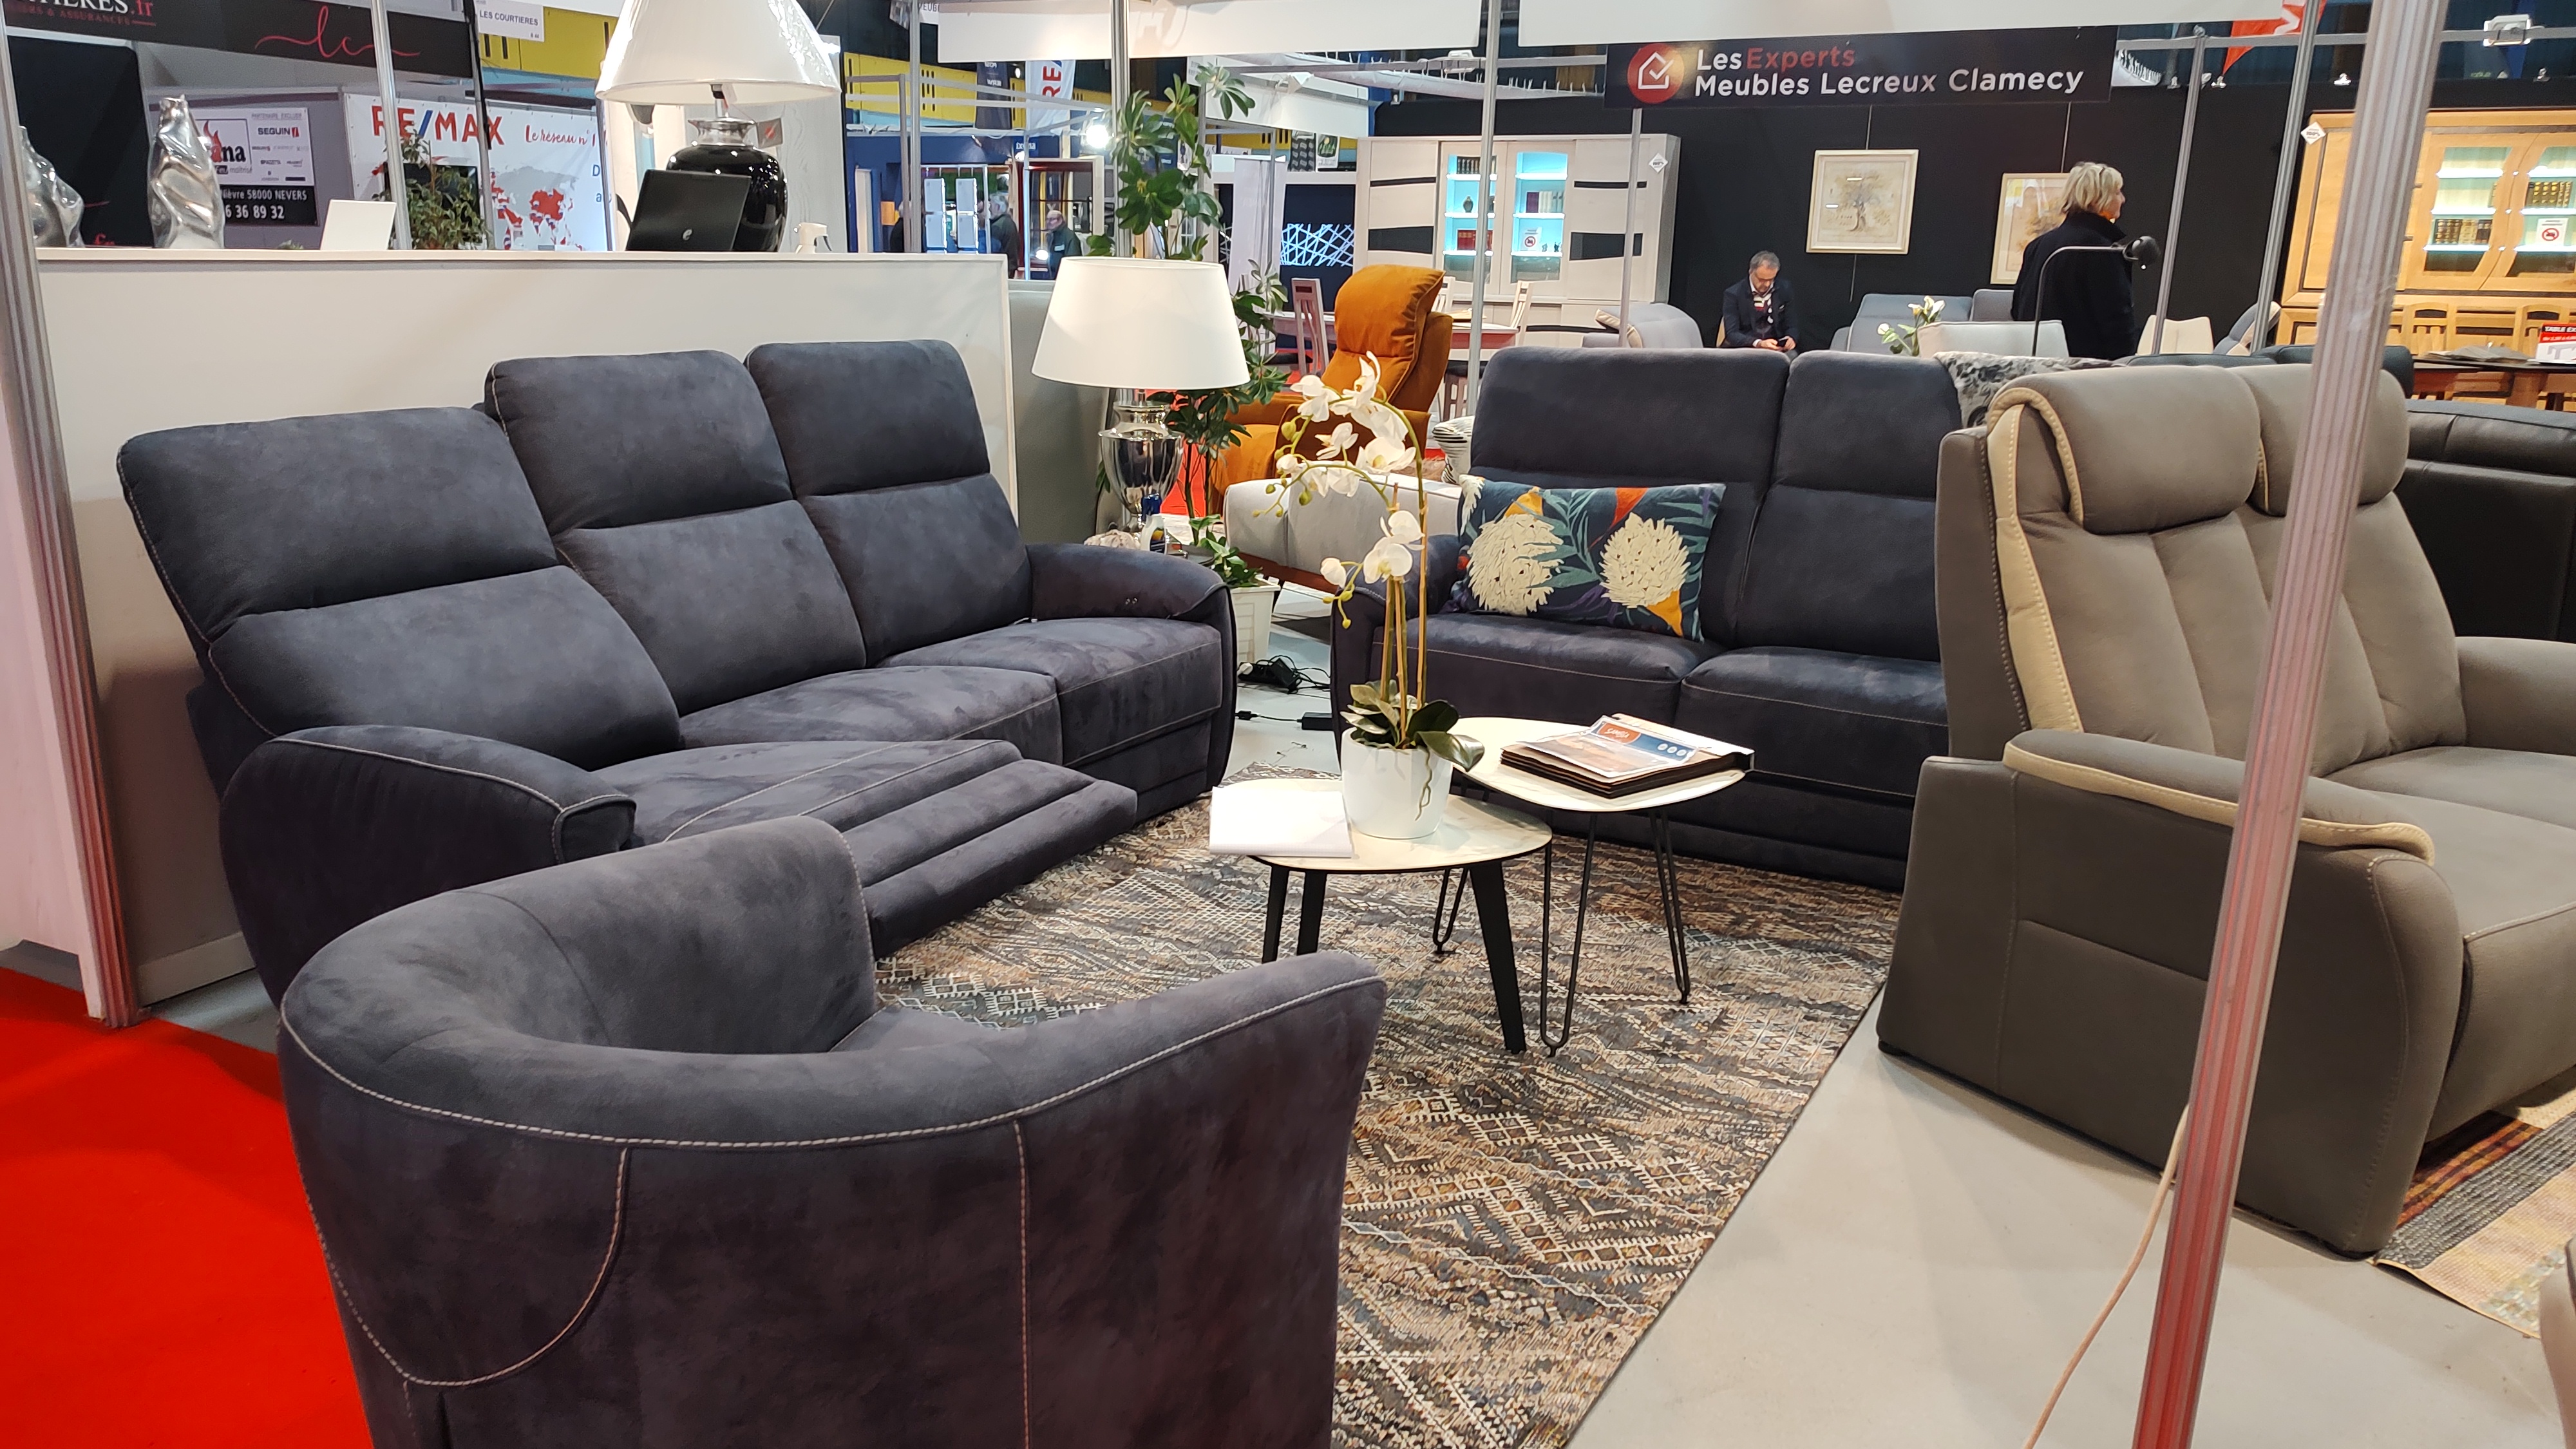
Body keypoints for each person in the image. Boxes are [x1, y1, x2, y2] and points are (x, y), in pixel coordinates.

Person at [2011, 161, 2139, 361]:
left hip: (2034, 364)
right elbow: (2116, 324)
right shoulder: (2100, 250)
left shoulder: (2037, 246)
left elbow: (2018, 309)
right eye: (2117, 192)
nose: (2123, 199)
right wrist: (2127, 365)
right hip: (2084, 369)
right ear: (2098, 199)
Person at [1719, 252, 1798, 351]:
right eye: (1762, 280)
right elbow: (1732, 334)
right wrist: (1759, 343)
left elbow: (1792, 323)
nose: (1767, 284)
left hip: (1776, 348)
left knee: (1794, 356)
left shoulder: (1785, 289)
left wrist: (1791, 338)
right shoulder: (1733, 294)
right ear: (1751, 272)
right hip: (1746, 348)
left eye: (1771, 279)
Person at [985, 196, 1023, 278]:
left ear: (998, 207)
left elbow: (993, 249)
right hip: (1009, 266)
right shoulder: (1009, 223)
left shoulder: (998, 226)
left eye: (991, 206)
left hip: (1001, 267)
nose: (990, 209)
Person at [1041, 209, 1083, 278]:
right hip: (1054, 275)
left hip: (1066, 276)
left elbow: (1073, 260)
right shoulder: (1051, 236)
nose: (1049, 222)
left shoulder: (1069, 236)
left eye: (1052, 219)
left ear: (1060, 220)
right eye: (1047, 219)